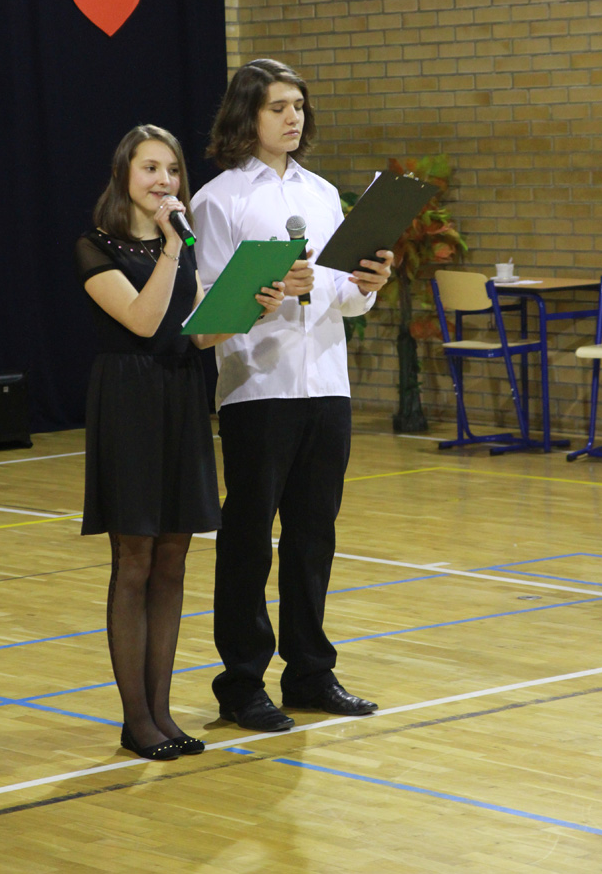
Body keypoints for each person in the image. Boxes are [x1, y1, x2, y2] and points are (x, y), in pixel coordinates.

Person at [191, 59, 394, 733]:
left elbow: (343, 297)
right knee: (249, 539)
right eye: (278, 106)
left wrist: (365, 284)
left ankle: (309, 671)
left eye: (299, 106)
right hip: (259, 385)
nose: (292, 117)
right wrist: (276, 290)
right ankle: (241, 682)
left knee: (313, 536)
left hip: (326, 383)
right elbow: (213, 304)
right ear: (246, 115)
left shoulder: (324, 193)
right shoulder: (219, 199)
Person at [75, 124, 284, 760]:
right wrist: (172, 245)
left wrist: (252, 307)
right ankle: (136, 721)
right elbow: (143, 320)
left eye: (171, 170)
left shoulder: (181, 248)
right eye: (150, 169)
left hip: (181, 396)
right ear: (124, 175)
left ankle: (162, 714)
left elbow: (194, 334)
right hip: (129, 402)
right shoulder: (95, 246)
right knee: (135, 560)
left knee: (173, 560)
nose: (164, 180)